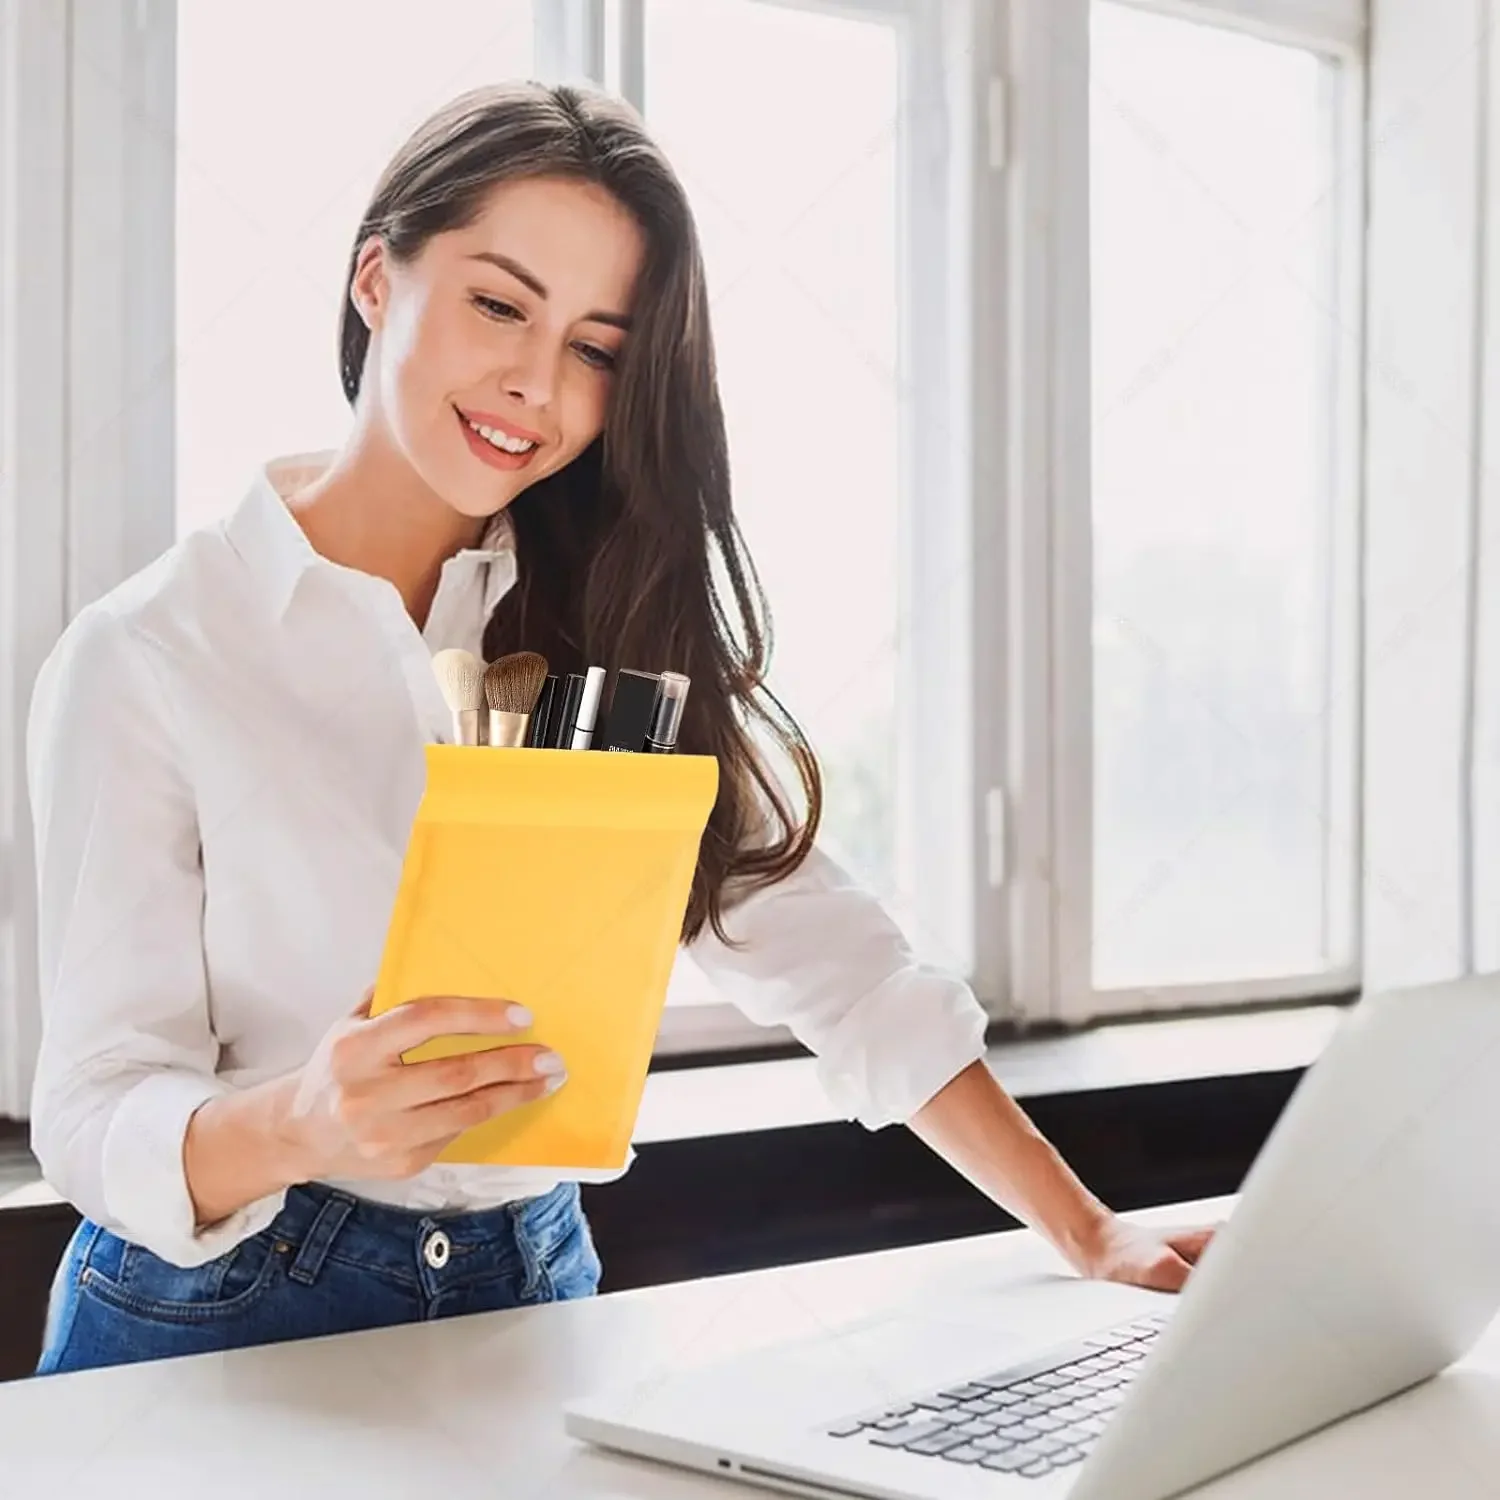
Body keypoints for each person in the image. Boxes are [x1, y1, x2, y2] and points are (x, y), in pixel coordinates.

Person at [26, 82, 1211, 1376]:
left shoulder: (608, 609)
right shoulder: (152, 651)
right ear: (376, 277)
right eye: (497, 304)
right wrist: (304, 1122)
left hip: (533, 1278)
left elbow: (844, 969)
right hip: (215, 1321)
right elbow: (93, 1112)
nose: (536, 385)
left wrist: (1090, 1231)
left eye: (597, 347)